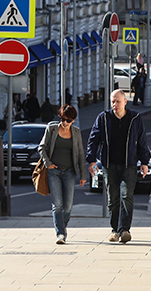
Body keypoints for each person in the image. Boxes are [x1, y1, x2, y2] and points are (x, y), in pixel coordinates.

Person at [86, 89, 151, 244]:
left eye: (118, 101)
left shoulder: (135, 118)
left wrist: (144, 162)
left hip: (129, 165)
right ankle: (114, 230)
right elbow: (93, 140)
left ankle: (125, 230)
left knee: (127, 196)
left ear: (125, 102)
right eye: (112, 101)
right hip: (109, 165)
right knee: (113, 199)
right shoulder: (103, 118)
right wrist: (92, 160)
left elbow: (142, 141)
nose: (115, 104)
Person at [38, 104, 89, 244]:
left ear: (73, 120)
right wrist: (48, 163)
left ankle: (62, 227)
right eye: (63, 119)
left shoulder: (76, 132)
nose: (65, 123)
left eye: (69, 120)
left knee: (68, 206)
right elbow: (41, 147)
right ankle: (60, 234)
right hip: (54, 172)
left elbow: (80, 154)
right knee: (57, 204)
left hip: (69, 173)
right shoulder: (52, 129)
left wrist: (83, 175)